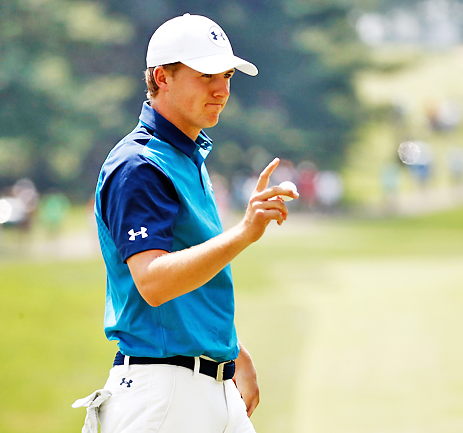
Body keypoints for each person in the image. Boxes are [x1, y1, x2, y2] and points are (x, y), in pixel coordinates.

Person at [72, 13, 298, 433]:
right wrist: (245, 233)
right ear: (162, 77)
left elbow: (188, 283)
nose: (223, 89)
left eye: (227, 74)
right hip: (163, 396)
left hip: (205, 384)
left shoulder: (184, 156)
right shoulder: (139, 166)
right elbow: (154, 282)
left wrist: (230, 350)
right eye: (207, 75)